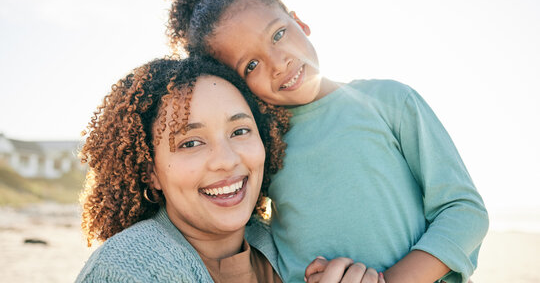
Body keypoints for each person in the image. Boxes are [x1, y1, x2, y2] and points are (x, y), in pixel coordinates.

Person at [166, 0, 490, 283]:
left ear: (299, 22)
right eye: (251, 65)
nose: (278, 63)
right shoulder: (259, 147)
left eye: (278, 34)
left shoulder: (389, 101)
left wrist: (392, 280)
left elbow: (464, 212)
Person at [76, 55, 385, 283]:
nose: (225, 159)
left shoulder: (286, 249)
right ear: (150, 171)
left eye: (240, 132)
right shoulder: (125, 268)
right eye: (191, 143)